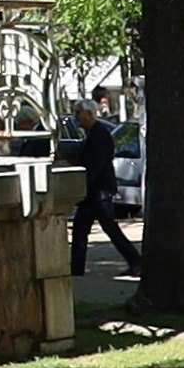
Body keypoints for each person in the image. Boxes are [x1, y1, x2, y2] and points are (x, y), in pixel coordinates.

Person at [69, 86, 140, 277]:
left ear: (89, 113)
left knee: (111, 230)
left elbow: (97, 164)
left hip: (99, 193)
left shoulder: (99, 134)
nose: (77, 117)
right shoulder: (92, 134)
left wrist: (84, 184)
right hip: (93, 194)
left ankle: (136, 261)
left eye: (79, 113)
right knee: (80, 232)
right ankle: (76, 269)